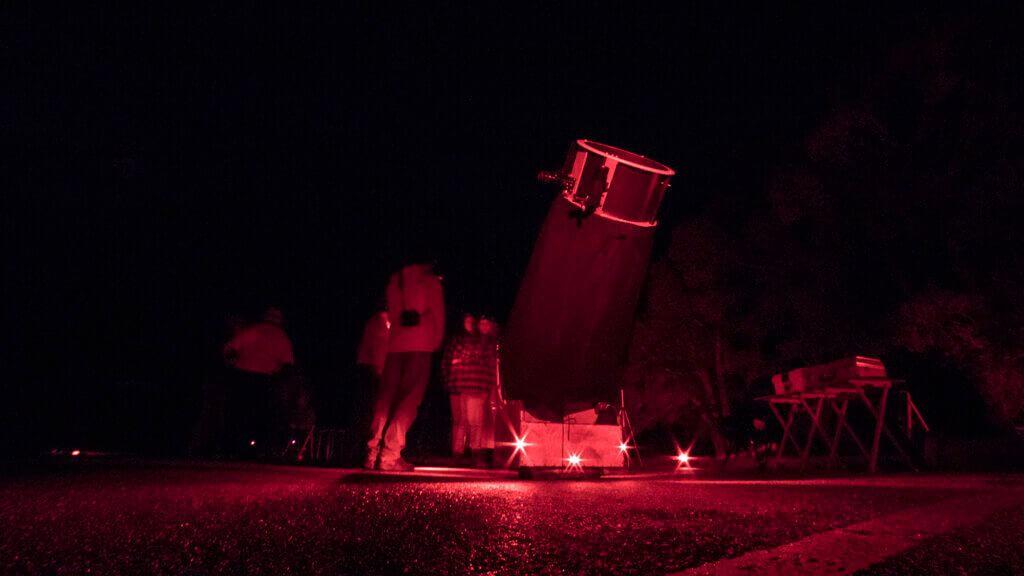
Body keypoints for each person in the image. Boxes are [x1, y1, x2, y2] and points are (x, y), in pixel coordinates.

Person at [365, 261, 445, 471]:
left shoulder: (394, 281)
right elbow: (438, 315)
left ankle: (372, 453)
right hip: (421, 344)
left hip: (396, 345)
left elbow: (392, 314)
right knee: (408, 400)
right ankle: (390, 454)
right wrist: (435, 342)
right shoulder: (430, 283)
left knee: (386, 399)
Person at [222, 307, 295, 457]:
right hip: (265, 379)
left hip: (242, 375)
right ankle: (257, 450)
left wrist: (231, 364)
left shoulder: (253, 330)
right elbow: (288, 364)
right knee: (260, 414)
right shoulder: (281, 337)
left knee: (238, 412)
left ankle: (233, 448)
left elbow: (231, 348)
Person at [443, 313, 490, 465]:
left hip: (478, 386)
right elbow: (450, 362)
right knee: (463, 420)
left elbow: (488, 367)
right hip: (464, 385)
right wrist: (451, 382)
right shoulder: (461, 341)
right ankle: (460, 451)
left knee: (474, 421)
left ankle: (470, 451)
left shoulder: (488, 343)